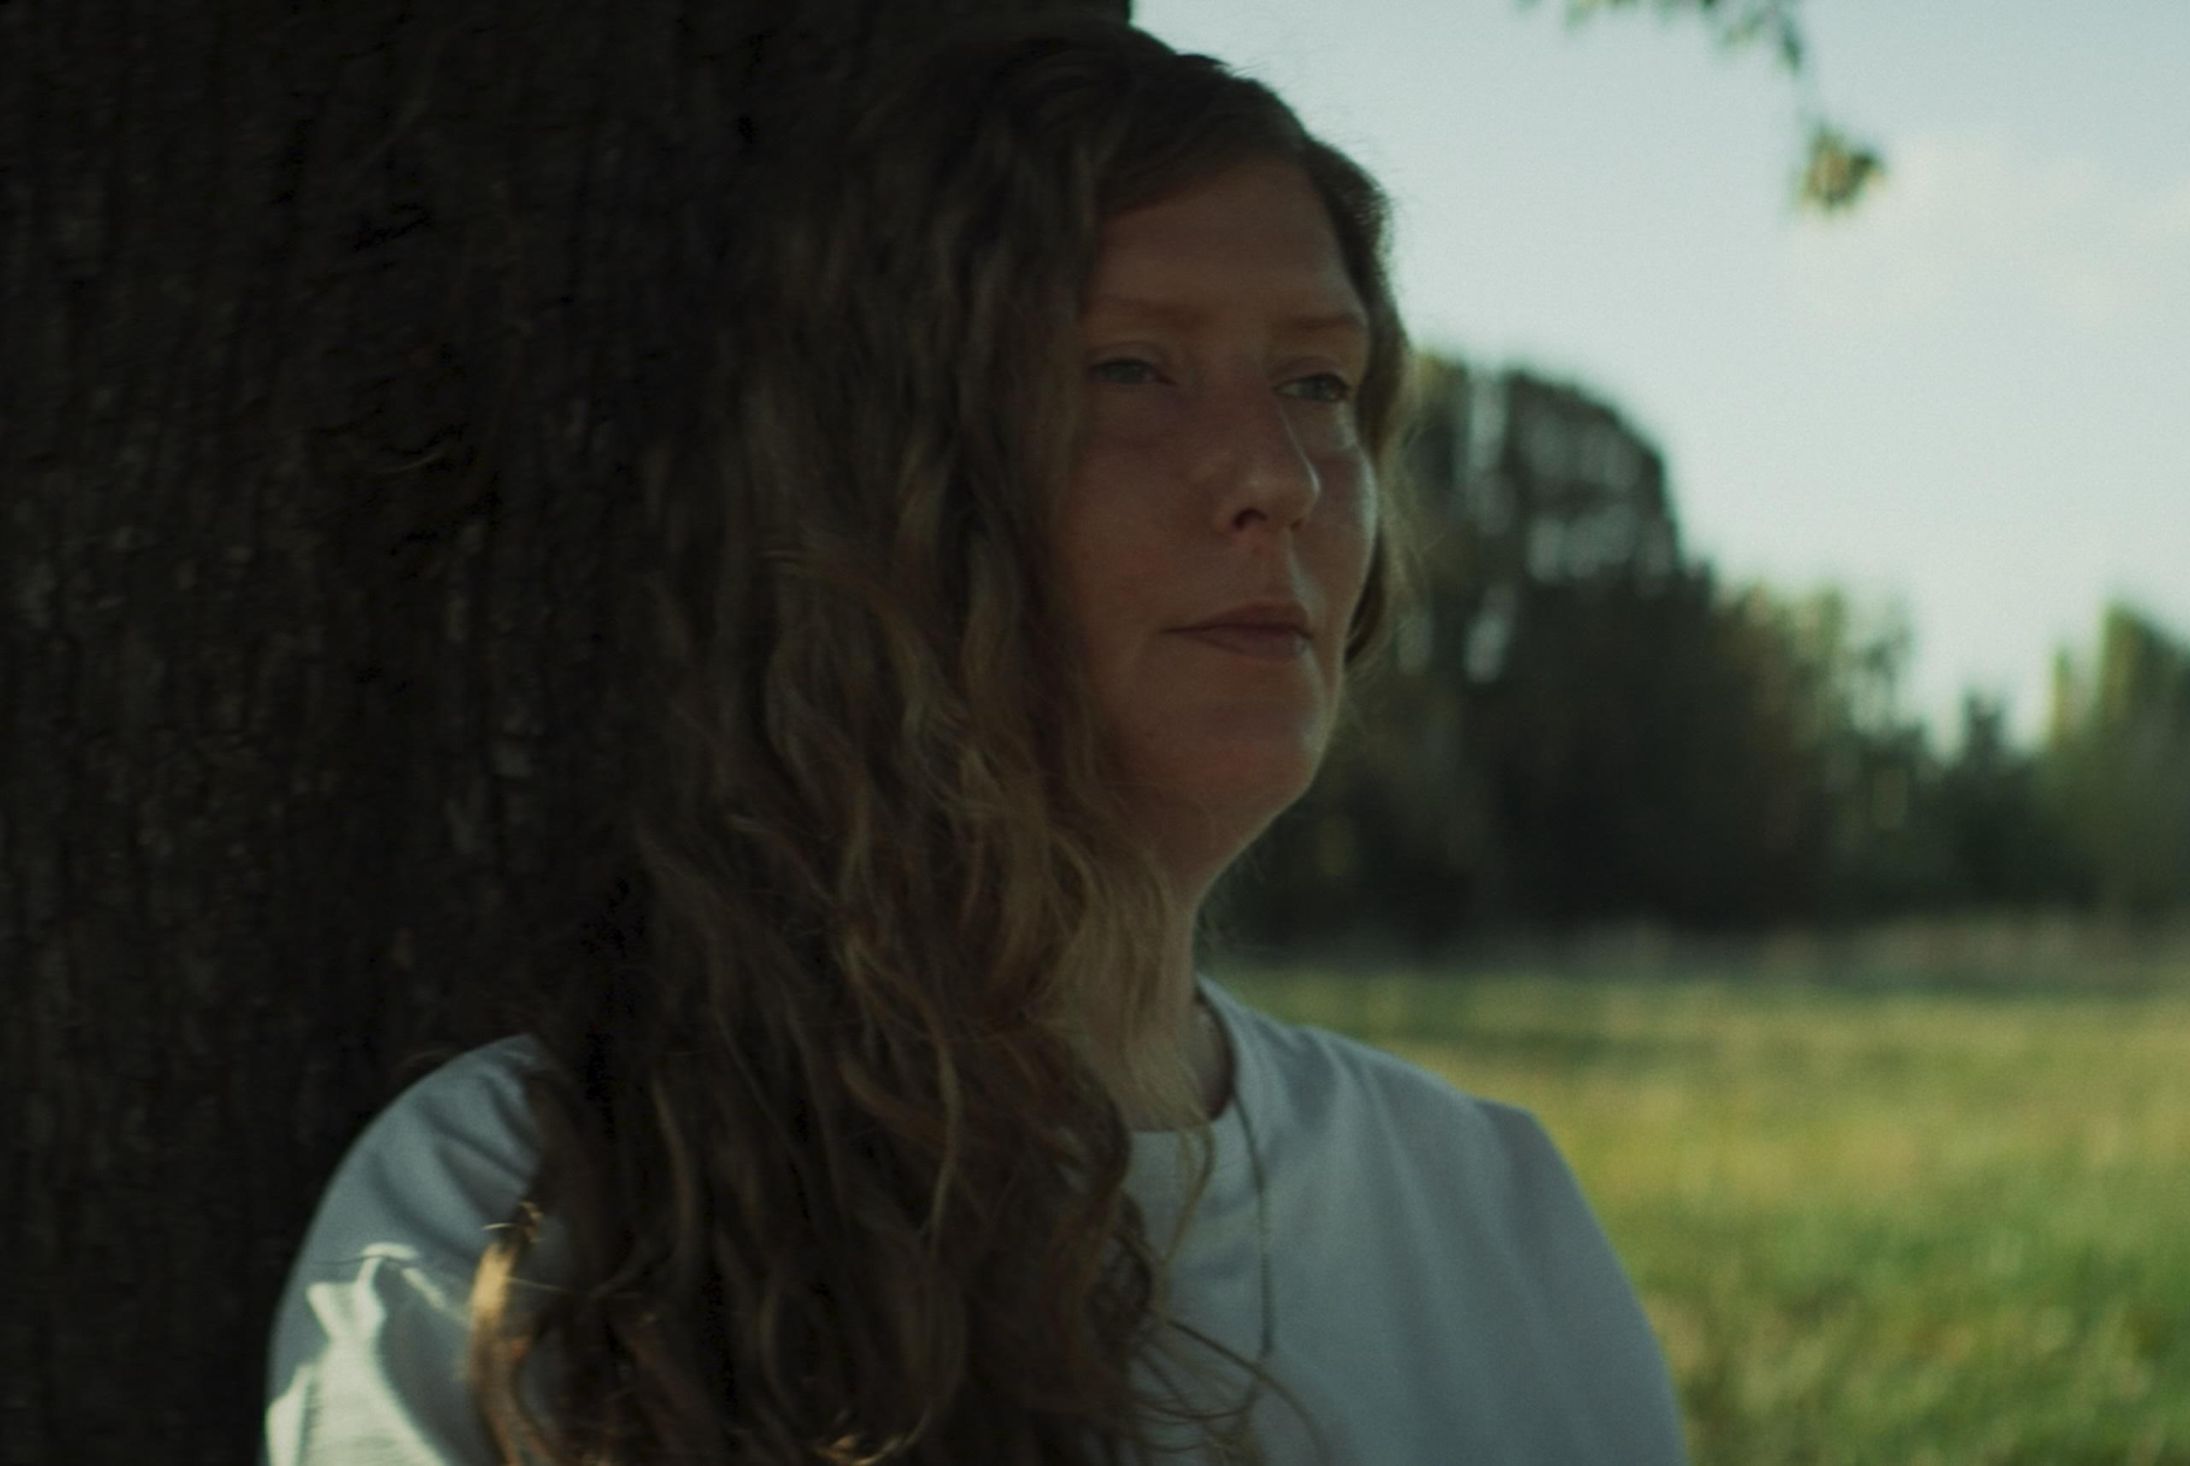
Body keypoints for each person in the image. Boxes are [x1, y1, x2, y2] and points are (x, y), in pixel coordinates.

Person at [259, 18, 1686, 1464]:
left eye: (1318, 382)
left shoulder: (1493, 1220)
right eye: (1130, 368)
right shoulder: (509, 1225)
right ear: (888, 484)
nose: (1279, 475)